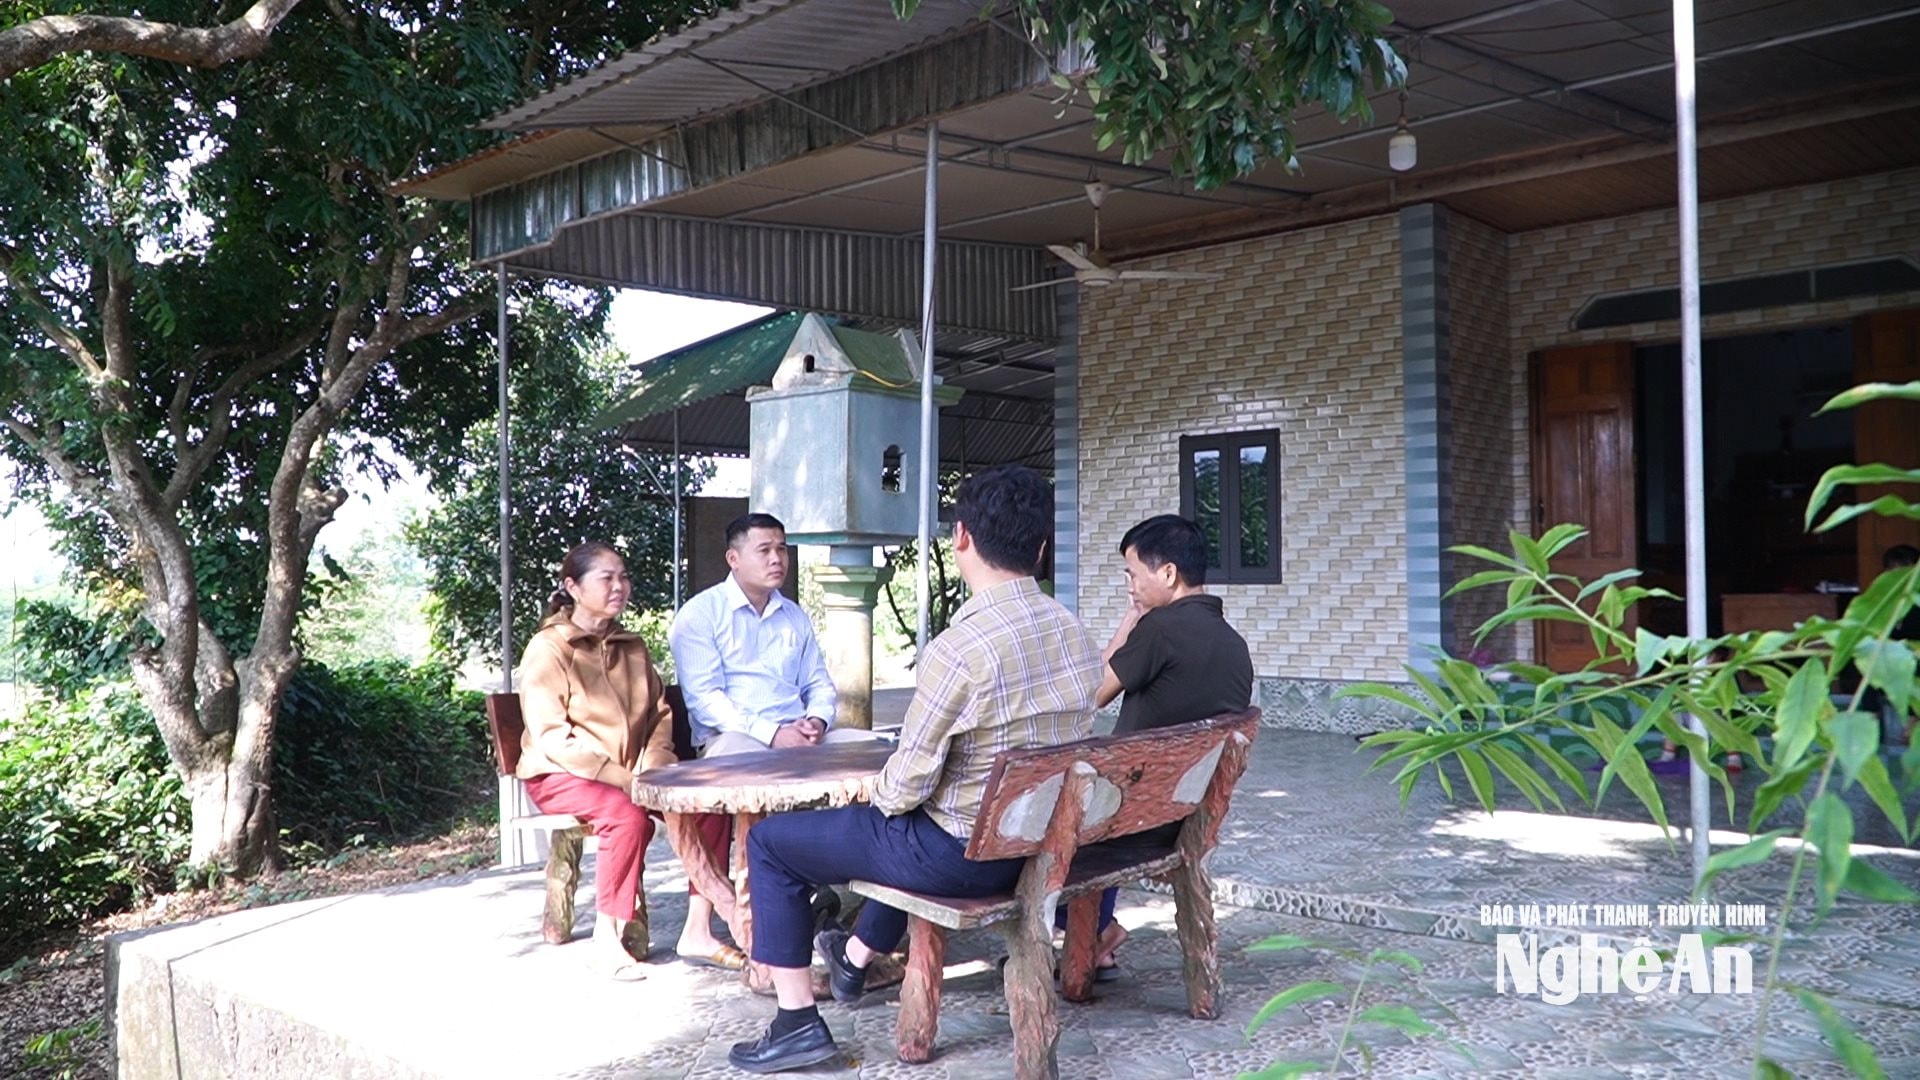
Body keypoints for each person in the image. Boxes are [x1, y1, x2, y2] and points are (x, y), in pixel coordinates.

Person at [723, 464, 1102, 1074]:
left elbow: (905, 787)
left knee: (772, 842)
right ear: (1040, 547)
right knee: (878, 826)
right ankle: (851, 955)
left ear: (961, 539)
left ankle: (795, 1023)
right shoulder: (1077, 634)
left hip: (961, 857)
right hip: (1041, 845)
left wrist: (865, 790)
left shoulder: (960, 648)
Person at [515, 542, 730, 980]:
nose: (619, 586)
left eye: (623, 577)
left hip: (634, 772)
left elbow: (658, 715)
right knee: (628, 816)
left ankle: (699, 928)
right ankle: (606, 939)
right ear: (573, 587)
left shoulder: (632, 646)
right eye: (606, 578)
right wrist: (620, 778)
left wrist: (652, 765)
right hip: (561, 774)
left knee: (708, 805)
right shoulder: (549, 648)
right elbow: (553, 736)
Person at [668, 512, 868, 967]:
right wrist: (772, 733)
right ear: (733, 558)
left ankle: (867, 908)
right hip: (735, 739)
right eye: (765, 550)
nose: (778, 558)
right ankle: (764, 919)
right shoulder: (700, 616)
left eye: (782, 549)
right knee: (751, 778)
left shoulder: (793, 615)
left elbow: (819, 683)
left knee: (876, 751)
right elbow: (706, 701)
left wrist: (816, 719)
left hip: (798, 734)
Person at [1066, 513, 1253, 978]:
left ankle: (1091, 934)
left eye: (1132, 574)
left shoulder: (1161, 630)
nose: (1129, 585)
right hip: (1186, 817)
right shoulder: (1236, 646)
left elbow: (1092, 695)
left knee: (1049, 818)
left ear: (1168, 574)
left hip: (1128, 820)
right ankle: (1097, 934)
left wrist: (1133, 617)